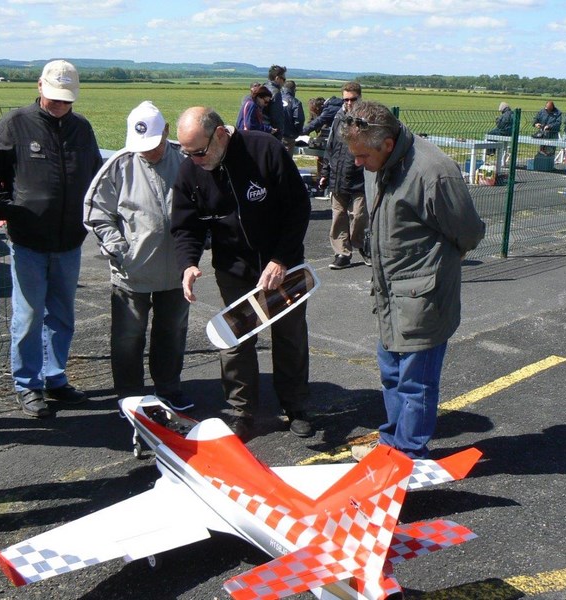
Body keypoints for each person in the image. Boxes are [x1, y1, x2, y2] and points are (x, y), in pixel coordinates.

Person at [338, 101, 485, 461]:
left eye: (362, 156)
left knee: (416, 383)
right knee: (391, 375)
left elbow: (468, 232)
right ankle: (393, 445)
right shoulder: (378, 160)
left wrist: (441, 263)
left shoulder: (433, 172)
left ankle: (409, 456)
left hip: (423, 298)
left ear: (387, 144)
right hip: (390, 295)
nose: (357, 163)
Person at [171, 107, 312, 440]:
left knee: (289, 336)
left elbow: (298, 208)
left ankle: (295, 406)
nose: (194, 160)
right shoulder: (191, 170)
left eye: (199, 151)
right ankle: (242, 412)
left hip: (282, 266)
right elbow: (186, 225)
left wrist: (281, 259)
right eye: (187, 153)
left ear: (220, 134)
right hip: (234, 268)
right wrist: (188, 263)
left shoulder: (264, 150)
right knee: (235, 340)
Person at [0, 60, 102, 418]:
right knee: (29, 316)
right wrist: (7, 210)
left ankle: (54, 376)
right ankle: (27, 383)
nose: (60, 105)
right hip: (28, 240)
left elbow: (96, 176)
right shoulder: (15, 124)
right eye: (55, 97)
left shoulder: (82, 129)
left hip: (70, 240)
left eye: (66, 99)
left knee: (62, 314)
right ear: (39, 86)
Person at [83, 101, 192, 411]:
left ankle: (169, 388)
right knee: (128, 336)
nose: (148, 152)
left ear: (166, 131)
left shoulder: (186, 160)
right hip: (132, 270)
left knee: (172, 332)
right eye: (142, 146)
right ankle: (130, 396)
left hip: (178, 271)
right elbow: (96, 212)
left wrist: (201, 241)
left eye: (154, 144)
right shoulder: (119, 164)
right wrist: (118, 248)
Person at [321, 82, 369, 270]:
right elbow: (330, 146)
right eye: (346, 99)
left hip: (360, 175)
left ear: (359, 98)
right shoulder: (338, 118)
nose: (349, 103)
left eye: (352, 99)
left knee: (358, 215)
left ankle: (361, 243)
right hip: (338, 174)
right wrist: (325, 172)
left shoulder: (367, 120)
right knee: (338, 215)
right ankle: (342, 253)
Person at [280, 80, 305, 156]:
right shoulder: (295, 102)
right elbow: (299, 120)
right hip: (288, 137)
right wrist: (297, 132)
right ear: (293, 90)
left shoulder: (275, 99)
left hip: (274, 135)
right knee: (286, 160)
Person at [263, 65, 286, 141]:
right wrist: (279, 135)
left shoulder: (263, 87)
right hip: (271, 133)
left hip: (262, 129)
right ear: (277, 78)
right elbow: (277, 118)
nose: (284, 82)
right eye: (284, 79)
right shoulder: (276, 92)